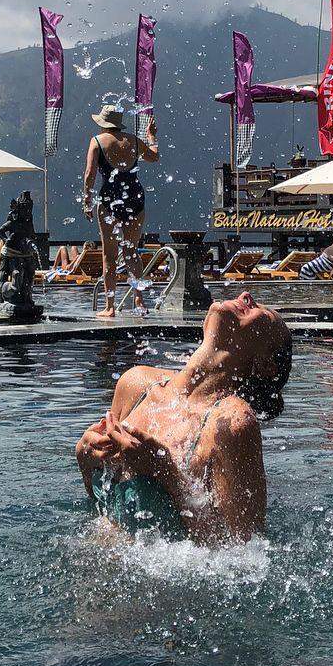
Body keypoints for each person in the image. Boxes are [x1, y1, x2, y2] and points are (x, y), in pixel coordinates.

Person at [75, 291, 292, 545]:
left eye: (263, 313)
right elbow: (102, 510)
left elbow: (239, 550)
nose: (246, 295)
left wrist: (165, 472)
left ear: (266, 364)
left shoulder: (231, 423)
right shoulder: (135, 385)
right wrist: (86, 460)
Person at [82, 105, 159, 318]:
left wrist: (87, 200)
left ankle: (110, 306)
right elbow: (154, 156)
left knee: (110, 255)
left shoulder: (97, 141)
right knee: (132, 251)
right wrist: (151, 137)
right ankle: (139, 301)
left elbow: (89, 174)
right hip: (135, 198)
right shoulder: (133, 140)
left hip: (109, 200)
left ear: (103, 123)